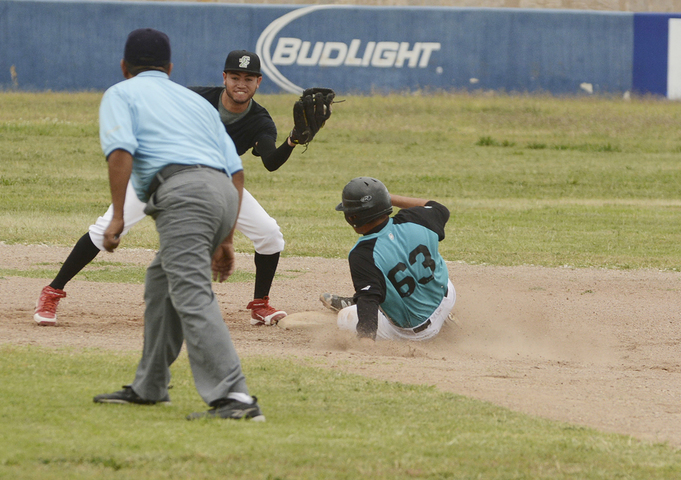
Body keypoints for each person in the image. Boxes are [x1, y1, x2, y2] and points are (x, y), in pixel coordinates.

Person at [34, 49, 304, 327]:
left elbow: (270, 161)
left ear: (258, 82)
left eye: (248, 78)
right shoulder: (196, 99)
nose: (240, 84)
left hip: (216, 183)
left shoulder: (259, 119)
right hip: (160, 175)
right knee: (107, 229)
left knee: (270, 235)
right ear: (224, 77)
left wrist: (293, 140)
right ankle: (52, 291)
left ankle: (260, 305)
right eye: (235, 76)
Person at [91, 28, 264, 421]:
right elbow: (236, 173)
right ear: (169, 68)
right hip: (221, 191)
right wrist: (227, 239)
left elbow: (120, 152)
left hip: (184, 195)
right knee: (161, 283)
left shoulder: (121, 92)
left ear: (124, 67)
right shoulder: (192, 99)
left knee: (190, 293)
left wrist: (118, 215)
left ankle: (235, 397)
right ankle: (150, 386)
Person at [320, 177, 456, 342]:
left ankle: (358, 305)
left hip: (418, 332)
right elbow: (438, 207)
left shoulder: (362, 254)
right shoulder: (417, 217)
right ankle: (446, 316)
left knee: (346, 315)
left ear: (351, 218)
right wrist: (383, 197)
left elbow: (368, 302)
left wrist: (365, 341)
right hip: (447, 298)